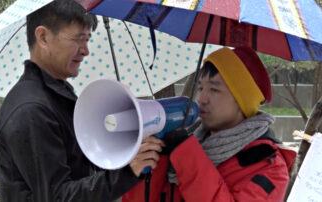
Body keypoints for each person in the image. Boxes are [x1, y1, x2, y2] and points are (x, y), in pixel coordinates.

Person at [0, 1, 164, 201]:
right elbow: (57, 197)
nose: (85, 51)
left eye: (87, 40)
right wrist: (127, 173)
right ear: (43, 37)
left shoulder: (57, 96)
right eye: (78, 39)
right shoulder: (31, 110)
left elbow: (87, 161)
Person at [122, 47, 297, 202]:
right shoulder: (188, 145)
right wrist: (149, 166)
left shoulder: (269, 167)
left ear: (242, 101)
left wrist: (187, 156)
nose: (201, 99)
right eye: (200, 88)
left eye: (214, 89)